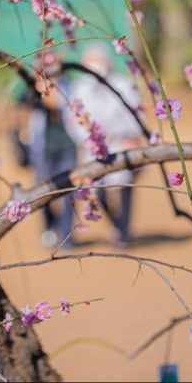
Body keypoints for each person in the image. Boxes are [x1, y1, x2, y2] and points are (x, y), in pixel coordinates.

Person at [67, 45, 144, 246]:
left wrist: (120, 133)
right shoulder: (79, 88)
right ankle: (116, 225)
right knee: (97, 190)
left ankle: (124, 232)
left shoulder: (123, 84)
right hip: (93, 149)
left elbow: (135, 116)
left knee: (124, 187)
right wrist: (90, 138)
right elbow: (73, 121)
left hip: (121, 144)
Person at [19, 75, 78, 249]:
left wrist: (50, 90)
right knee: (43, 192)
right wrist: (37, 89)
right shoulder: (33, 90)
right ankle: (50, 228)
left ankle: (67, 234)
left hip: (67, 146)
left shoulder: (68, 87)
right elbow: (23, 105)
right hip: (43, 150)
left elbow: (56, 105)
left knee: (68, 192)